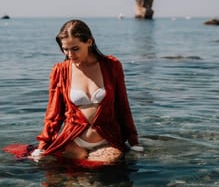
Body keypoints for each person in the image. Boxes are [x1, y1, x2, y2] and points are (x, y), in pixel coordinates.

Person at [31, 19, 143, 164]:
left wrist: (133, 141)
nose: (70, 54)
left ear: (89, 42)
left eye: (75, 48)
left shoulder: (112, 66)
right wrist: (43, 146)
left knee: (99, 170)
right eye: (65, 49)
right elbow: (54, 114)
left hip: (107, 139)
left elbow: (123, 106)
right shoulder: (60, 71)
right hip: (73, 140)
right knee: (61, 175)